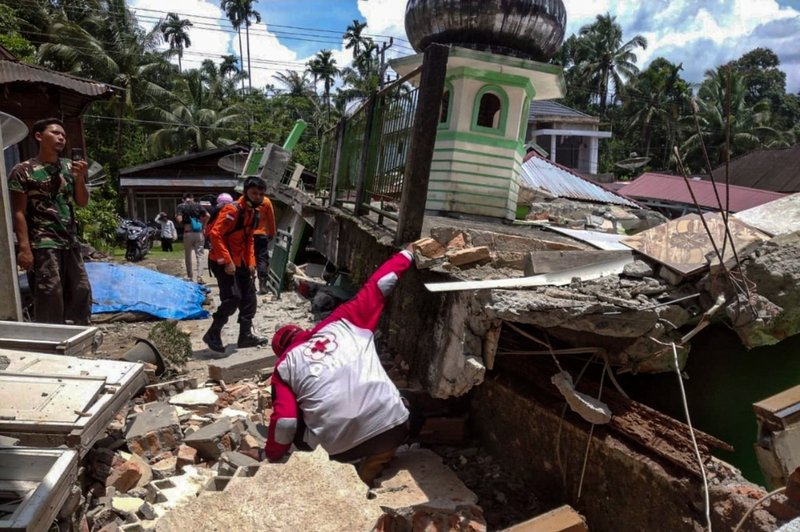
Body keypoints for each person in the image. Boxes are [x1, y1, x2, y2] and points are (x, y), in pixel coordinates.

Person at [265, 245, 415, 485]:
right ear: (302, 331)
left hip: (340, 450)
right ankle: (377, 462)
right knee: (407, 403)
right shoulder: (344, 320)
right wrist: (407, 254)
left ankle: (350, 478)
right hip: (391, 429)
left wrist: (272, 456)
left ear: (281, 352)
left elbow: (285, 423)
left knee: (304, 417)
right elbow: (381, 283)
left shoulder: (283, 367)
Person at [8, 117, 92, 324]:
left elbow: (81, 202)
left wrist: (80, 177)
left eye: (63, 135)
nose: (61, 137)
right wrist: (25, 248)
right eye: (55, 133)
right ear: (39, 136)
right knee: (50, 293)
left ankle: (79, 333)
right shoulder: (22, 171)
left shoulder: (69, 167)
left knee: (81, 289)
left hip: (70, 241)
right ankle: (52, 338)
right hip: (43, 242)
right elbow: (18, 212)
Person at [202, 177, 269, 352]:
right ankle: (213, 333)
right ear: (245, 192)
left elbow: (249, 240)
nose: (258, 197)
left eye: (261, 194)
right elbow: (215, 235)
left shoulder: (253, 213)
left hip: (241, 261)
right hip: (222, 260)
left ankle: (245, 336)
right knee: (233, 298)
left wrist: (252, 262)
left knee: (249, 298)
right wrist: (227, 261)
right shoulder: (232, 210)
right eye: (254, 193)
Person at [175, 192, 209, 283]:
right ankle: (200, 276)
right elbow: (208, 215)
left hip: (188, 232)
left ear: (183, 199)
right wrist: (204, 226)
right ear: (192, 198)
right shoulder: (198, 206)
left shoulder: (181, 206)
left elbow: (179, 220)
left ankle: (190, 276)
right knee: (200, 255)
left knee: (188, 255)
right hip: (199, 232)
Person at [253, 193, 276, 295]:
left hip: (248, 235)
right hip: (261, 234)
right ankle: (262, 284)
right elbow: (271, 219)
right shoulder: (266, 201)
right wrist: (272, 233)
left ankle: (251, 284)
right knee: (262, 258)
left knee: (249, 258)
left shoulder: (245, 200)